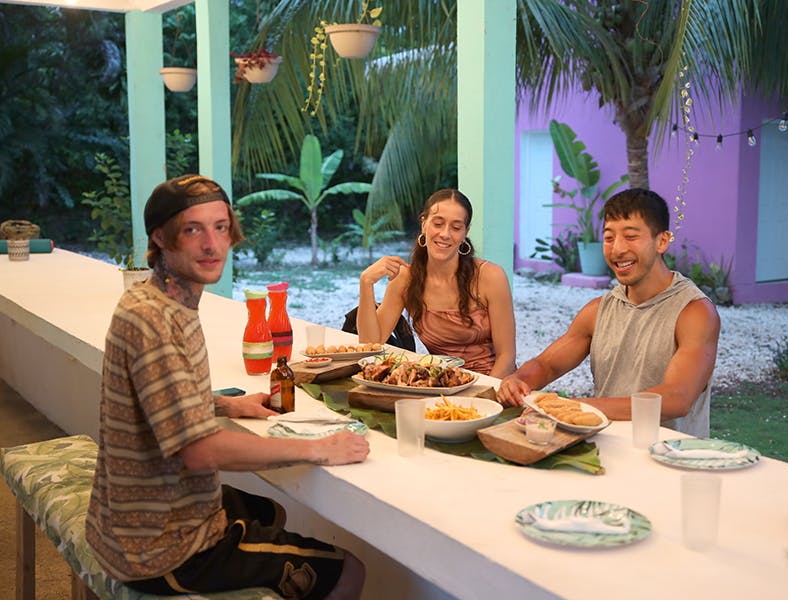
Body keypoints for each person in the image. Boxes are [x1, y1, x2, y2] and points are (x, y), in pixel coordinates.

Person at [85, 174, 369, 599]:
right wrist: (318, 447)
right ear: (161, 238)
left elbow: (156, 396)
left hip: (124, 523)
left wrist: (226, 405)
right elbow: (200, 451)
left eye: (220, 228)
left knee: (268, 511)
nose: (212, 245)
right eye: (192, 229)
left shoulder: (157, 300)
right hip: (161, 549)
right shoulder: (157, 322)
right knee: (350, 571)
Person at [498, 188, 720, 437]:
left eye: (631, 236)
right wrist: (518, 379)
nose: (617, 249)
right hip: (607, 446)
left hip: (671, 457)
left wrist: (576, 407)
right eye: (609, 237)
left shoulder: (695, 312)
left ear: (662, 241)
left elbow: (677, 398)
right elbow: (547, 365)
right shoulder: (597, 310)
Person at [356, 189, 516, 377]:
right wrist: (366, 283)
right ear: (424, 224)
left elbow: (507, 356)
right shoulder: (406, 279)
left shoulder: (490, 276)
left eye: (456, 228)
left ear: (465, 233)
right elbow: (370, 345)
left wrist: (483, 396)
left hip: (495, 384)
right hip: (443, 384)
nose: (445, 234)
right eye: (438, 224)